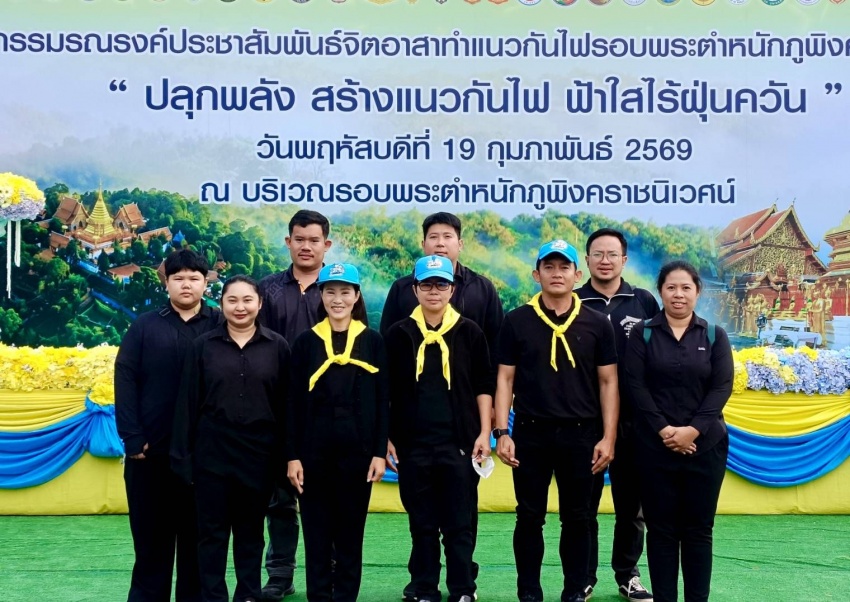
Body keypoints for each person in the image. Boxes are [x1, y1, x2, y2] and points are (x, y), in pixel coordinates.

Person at [380, 212, 503, 601]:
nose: (434, 292)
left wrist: (484, 432)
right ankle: (423, 586)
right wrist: (387, 436)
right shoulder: (399, 334)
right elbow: (385, 388)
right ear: (414, 289)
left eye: (441, 285)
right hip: (413, 443)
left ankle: (463, 587)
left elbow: (484, 385)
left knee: (459, 523)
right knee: (422, 522)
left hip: (460, 442)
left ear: (452, 289)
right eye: (427, 285)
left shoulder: (469, 332)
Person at [494, 240, 619, 602]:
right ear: (537, 274)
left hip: (582, 434)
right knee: (529, 516)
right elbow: (504, 378)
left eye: (564, 267)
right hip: (530, 432)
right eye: (548, 267)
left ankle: (574, 591)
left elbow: (609, 382)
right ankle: (529, 592)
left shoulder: (597, 323)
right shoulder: (516, 320)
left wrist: (608, 437)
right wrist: (502, 432)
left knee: (578, 518)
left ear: (577, 275)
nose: (557, 274)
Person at [171, 275, 291, 602]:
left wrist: (286, 457)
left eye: (247, 300)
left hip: (259, 457)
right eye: (232, 300)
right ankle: (213, 596)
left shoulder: (277, 346)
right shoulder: (203, 346)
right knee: (211, 535)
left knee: (250, 533)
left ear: (259, 303)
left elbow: (286, 406)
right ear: (221, 304)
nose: (240, 307)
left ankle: (248, 595)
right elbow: (187, 404)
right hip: (212, 456)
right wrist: (183, 458)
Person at [624, 261, 733, 602]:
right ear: (660, 291)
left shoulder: (714, 335)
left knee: (699, 530)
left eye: (686, 287)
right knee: (661, 531)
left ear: (698, 292)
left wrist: (693, 431)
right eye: (671, 287)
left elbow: (721, 387)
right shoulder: (643, 333)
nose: (678, 294)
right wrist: (665, 431)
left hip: (706, 448)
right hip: (654, 448)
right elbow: (635, 386)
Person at [115, 248, 219, 602]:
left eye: (194, 278)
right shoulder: (145, 326)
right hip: (150, 453)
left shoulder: (220, 324)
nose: (186, 285)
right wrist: (132, 437)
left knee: (198, 544)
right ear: (167, 283)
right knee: (150, 545)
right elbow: (125, 378)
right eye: (178, 278)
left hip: (203, 456)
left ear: (205, 283)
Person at [285, 263, 389, 602]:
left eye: (345, 292)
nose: (338, 299)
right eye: (330, 292)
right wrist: (292, 456)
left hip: (358, 455)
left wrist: (378, 452)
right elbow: (292, 403)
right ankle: (318, 596)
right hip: (313, 455)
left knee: (350, 535)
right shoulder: (306, 343)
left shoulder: (372, 341)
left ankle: (345, 596)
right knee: (316, 535)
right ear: (321, 295)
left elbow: (382, 401)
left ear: (356, 296)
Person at [576, 229, 658, 602]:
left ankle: (628, 575)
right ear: (587, 260)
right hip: (584, 419)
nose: (605, 261)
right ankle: (583, 577)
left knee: (632, 507)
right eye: (598, 254)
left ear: (624, 260)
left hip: (634, 422)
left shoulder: (643, 301)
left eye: (612, 254)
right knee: (583, 506)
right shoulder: (574, 301)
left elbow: (658, 354)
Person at [258, 209, 332, 601]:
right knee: (280, 499)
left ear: (326, 245)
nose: (306, 246)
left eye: (314, 240)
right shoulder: (267, 289)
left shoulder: (338, 288)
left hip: (327, 410)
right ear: (288, 242)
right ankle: (280, 574)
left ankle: (330, 572)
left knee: (325, 501)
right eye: (299, 239)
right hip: (275, 406)